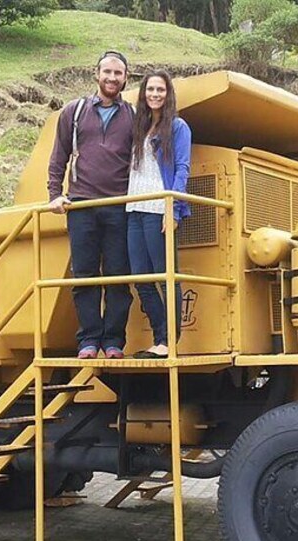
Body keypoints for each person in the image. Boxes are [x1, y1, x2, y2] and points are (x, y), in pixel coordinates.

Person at [47, 51, 134, 359]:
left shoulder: (133, 116)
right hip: (81, 204)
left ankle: (113, 342)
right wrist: (54, 194)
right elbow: (59, 156)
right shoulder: (75, 110)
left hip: (120, 205)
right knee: (84, 275)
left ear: (126, 78)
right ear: (96, 74)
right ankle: (88, 341)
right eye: (107, 72)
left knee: (118, 276)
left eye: (118, 73)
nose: (112, 78)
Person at [126, 70, 192, 359]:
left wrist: (172, 208)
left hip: (158, 208)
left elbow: (182, 168)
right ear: (143, 94)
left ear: (168, 94)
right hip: (134, 208)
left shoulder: (178, 127)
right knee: (141, 277)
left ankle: (168, 340)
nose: (155, 94)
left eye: (160, 90)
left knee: (166, 276)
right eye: (150, 89)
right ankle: (159, 337)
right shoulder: (138, 127)